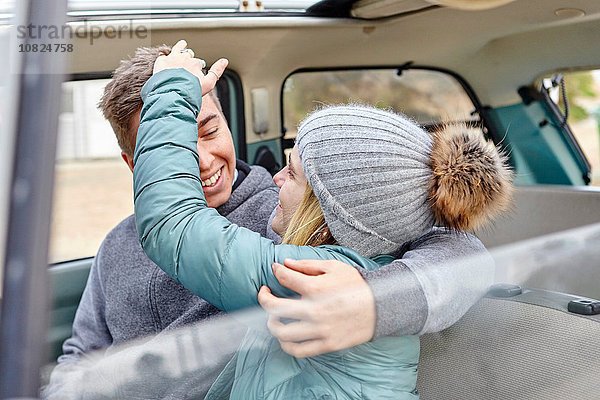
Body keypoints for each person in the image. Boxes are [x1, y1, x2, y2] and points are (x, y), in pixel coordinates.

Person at [46, 43, 494, 398]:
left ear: (227, 121)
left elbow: (463, 252)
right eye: (174, 144)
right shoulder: (116, 246)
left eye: (208, 130)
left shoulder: (289, 222)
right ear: (137, 162)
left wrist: (377, 301)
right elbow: (81, 354)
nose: (201, 160)